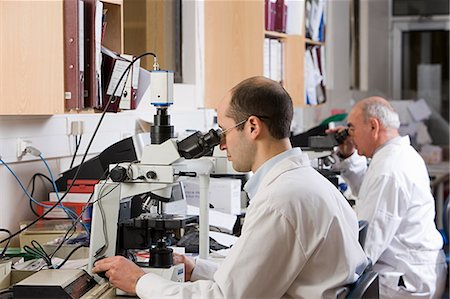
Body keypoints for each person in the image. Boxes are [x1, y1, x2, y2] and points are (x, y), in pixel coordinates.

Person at [92, 76, 369, 298]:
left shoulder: (280, 200)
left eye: (223, 131)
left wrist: (140, 281)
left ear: (252, 127)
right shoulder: (307, 182)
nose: (221, 144)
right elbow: (255, 273)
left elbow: (225, 296)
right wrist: (196, 269)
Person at [329, 96, 447, 298]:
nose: (350, 136)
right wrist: (348, 155)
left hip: (404, 282)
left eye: (352, 128)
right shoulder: (396, 155)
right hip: (415, 269)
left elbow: (367, 246)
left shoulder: (389, 169)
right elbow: (368, 188)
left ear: (373, 126)